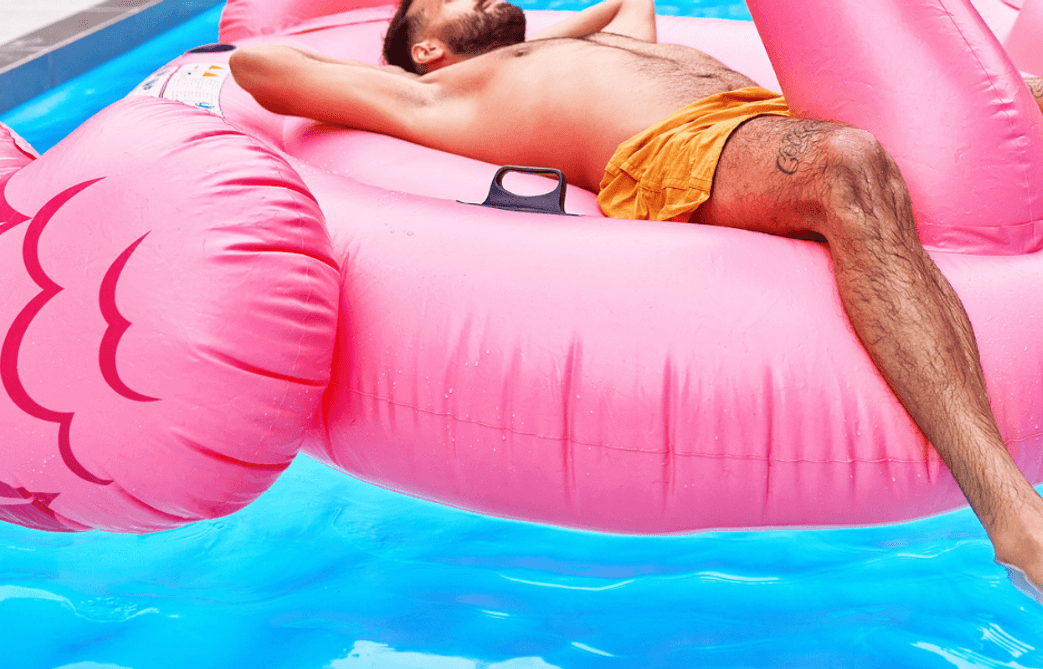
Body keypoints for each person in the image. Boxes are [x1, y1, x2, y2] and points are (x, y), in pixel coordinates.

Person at [229, 0, 1043, 595]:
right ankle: (1011, 513)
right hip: (675, 149)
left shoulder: (568, 45)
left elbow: (634, 6)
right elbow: (258, 69)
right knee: (846, 162)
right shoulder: (429, 93)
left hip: (758, 120)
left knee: (1019, 95)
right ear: (425, 48)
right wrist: (455, 61)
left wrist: (541, 33)